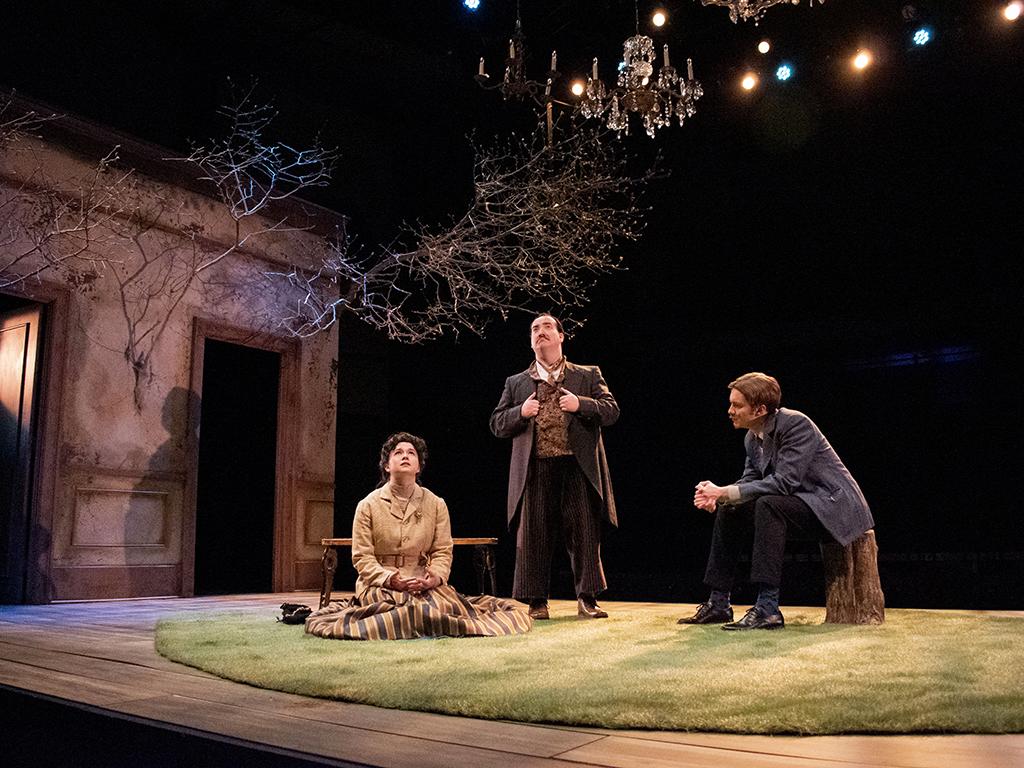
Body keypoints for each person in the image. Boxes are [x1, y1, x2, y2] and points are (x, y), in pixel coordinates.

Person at [680, 372, 874, 630]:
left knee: (768, 504)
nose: (730, 411)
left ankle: (767, 609)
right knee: (732, 509)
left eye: (737, 405)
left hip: (832, 508)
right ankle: (719, 603)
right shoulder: (752, 437)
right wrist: (718, 497)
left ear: (760, 409)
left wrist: (724, 491)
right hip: (800, 504)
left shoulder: (796, 424)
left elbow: (785, 483)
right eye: (731, 403)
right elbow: (749, 481)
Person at [305, 432, 532, 640]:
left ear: (418, 467)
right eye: (398, 453)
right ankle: (415, 622)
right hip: (380, 584)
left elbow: (443, 551)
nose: (405, 456)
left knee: (444, 605)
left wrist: (434, 578)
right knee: (394, 607)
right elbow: (362, 557)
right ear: (386, 465)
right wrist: (389, 579)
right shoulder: (367, 506)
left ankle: (421, 621)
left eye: (411, 453)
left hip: (421, 582)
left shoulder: (435, 504)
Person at [490, 313, 619, 620]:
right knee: (534, 533)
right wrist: (520, 412)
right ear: (531, 340)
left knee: (585, 531)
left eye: (548, 327)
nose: (541, 332)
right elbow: (496, 423)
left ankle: (587, 598)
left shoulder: (586, 375)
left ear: (561, 336)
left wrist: (581, 404)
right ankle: (537, 601)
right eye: (535, 329)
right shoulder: (517, 382)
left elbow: (612, 410)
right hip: (535, 468)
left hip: (577, 465)